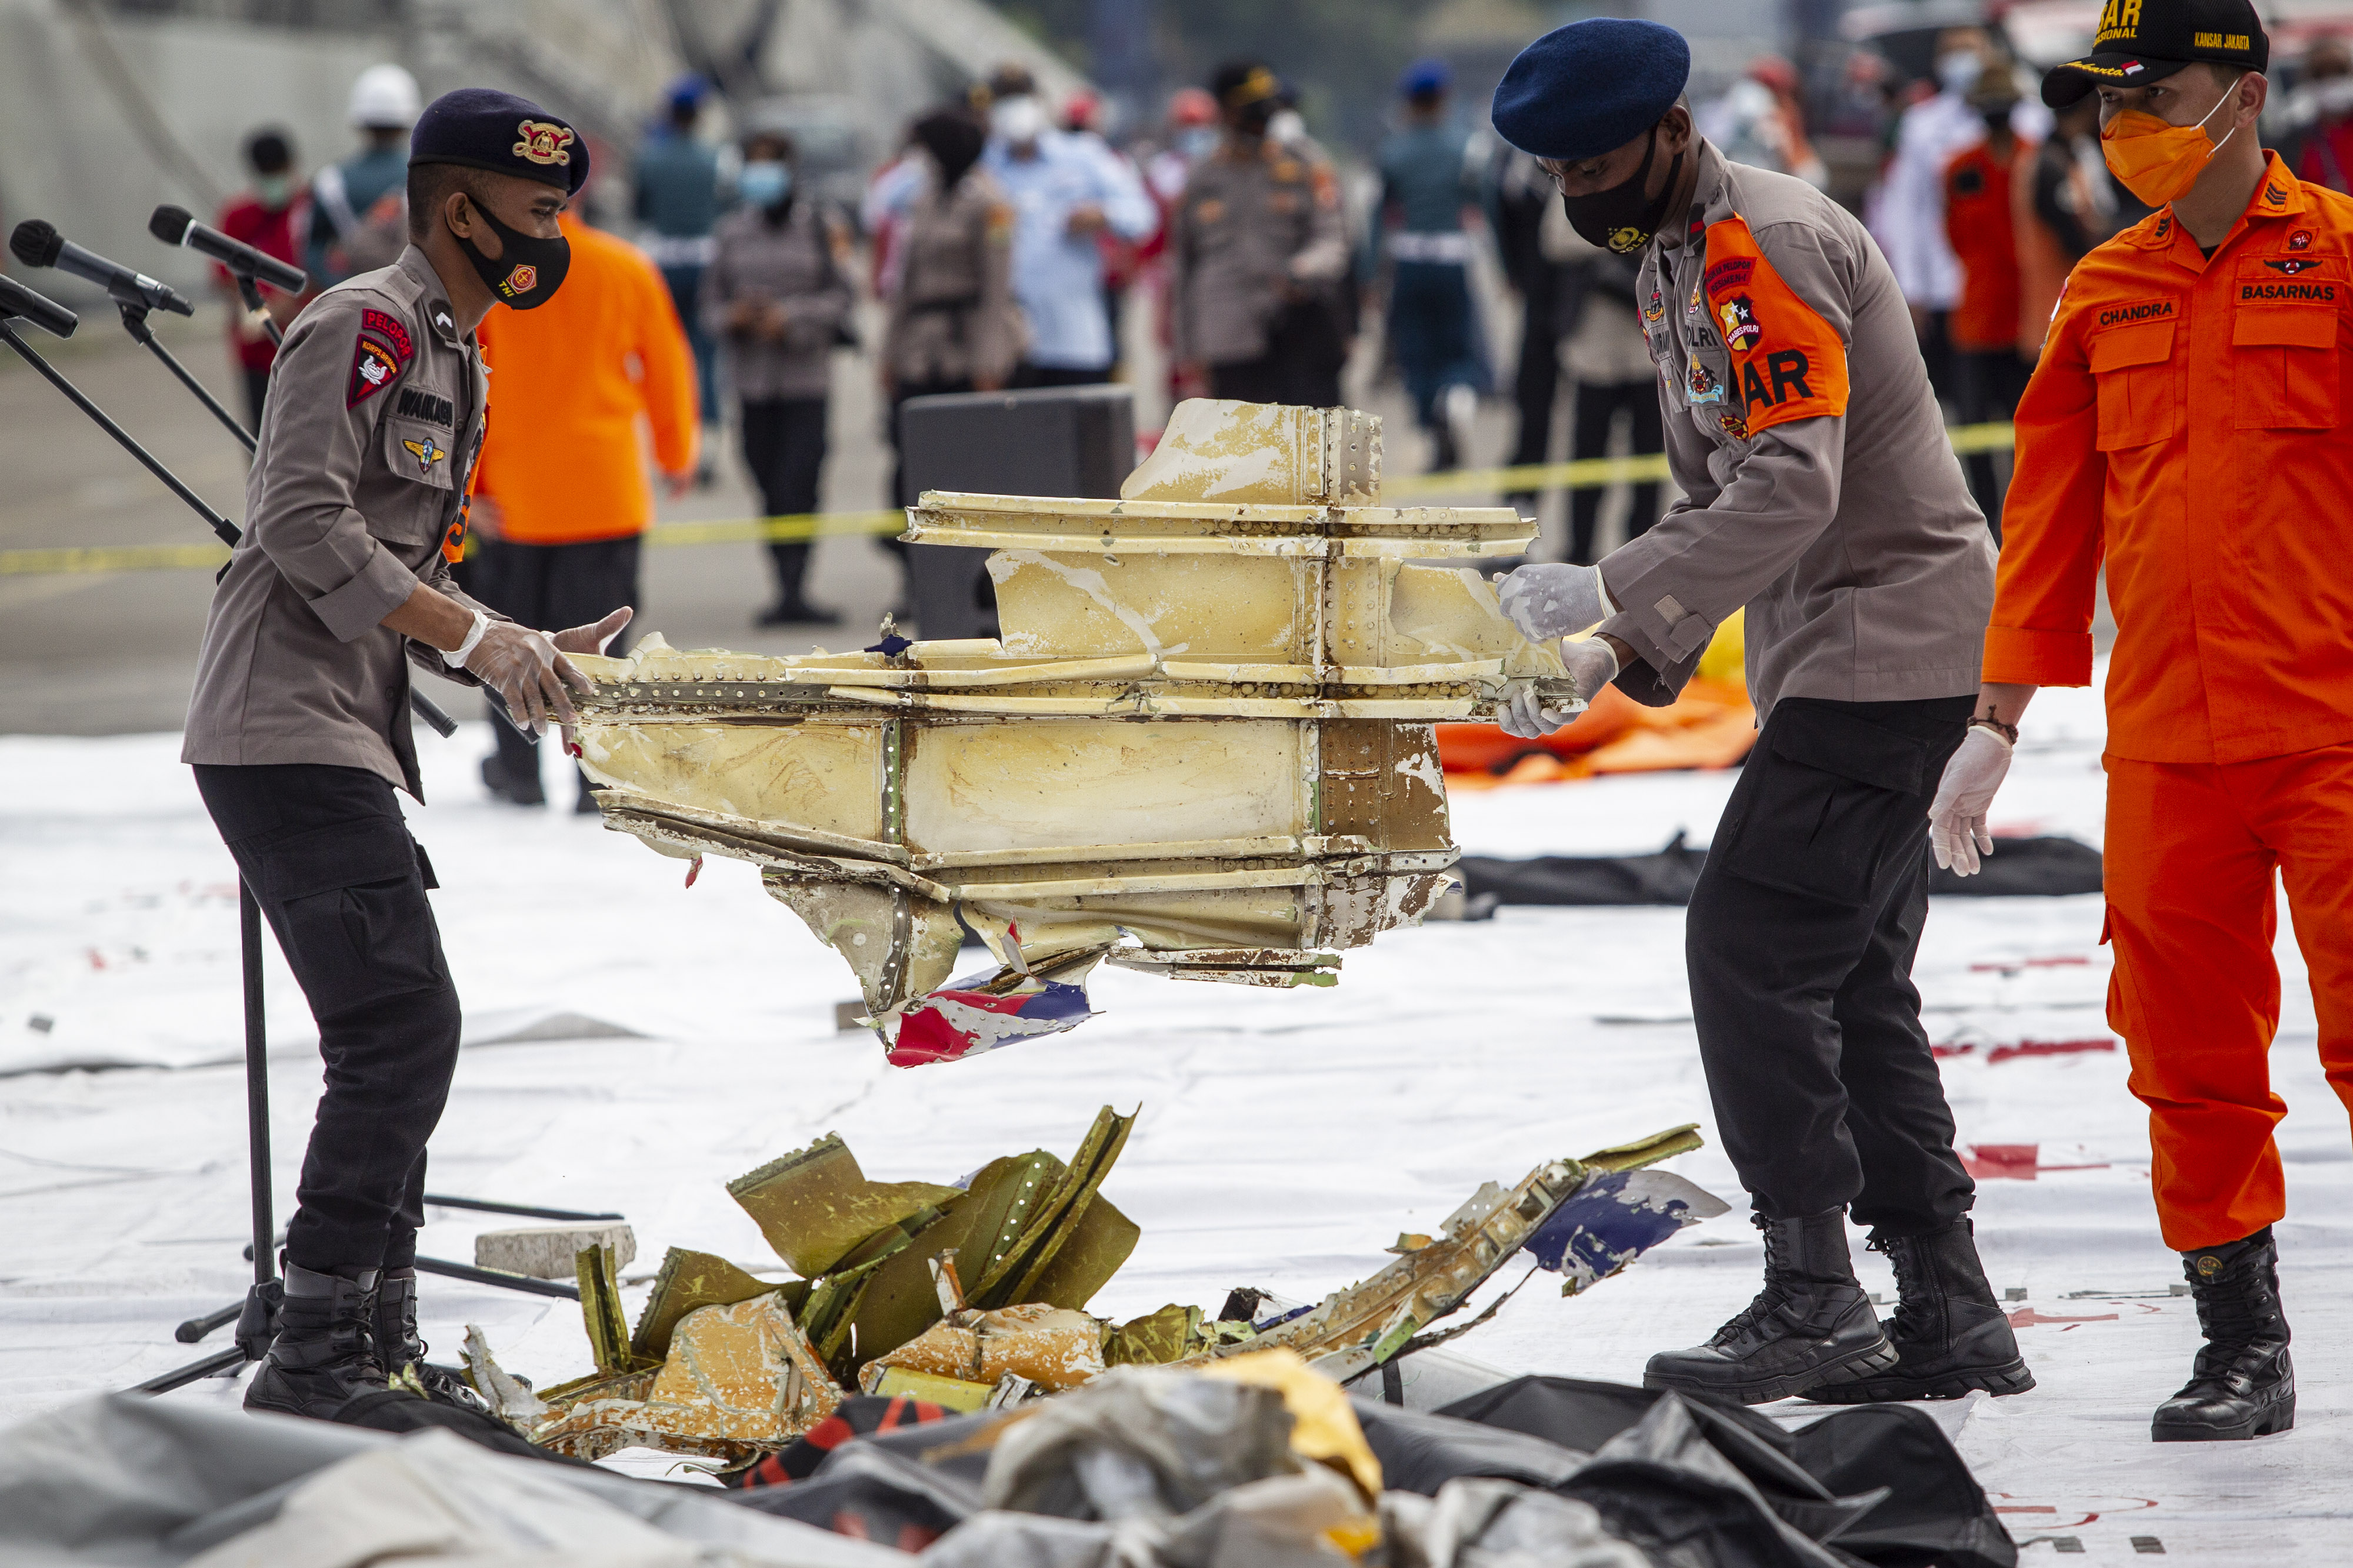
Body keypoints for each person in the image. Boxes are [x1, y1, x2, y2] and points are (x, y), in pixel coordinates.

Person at [1488, 17, 2019, 1409]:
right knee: (1848, 980)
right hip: (1856, 646)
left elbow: (1790, 488)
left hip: (1884, 648)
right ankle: (1947, 1303)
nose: (1578, 189)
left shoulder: (1759, 246)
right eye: (1558, 172)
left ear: (1672, 129)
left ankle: (1814, 1292)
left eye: (1598, 157)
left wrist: (1613, 612)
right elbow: (1737, 492)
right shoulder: (1679, 251)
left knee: (1746, 947)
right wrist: (1626, 624)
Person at [1935, 0, 2346, 1444]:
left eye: (2149, 94)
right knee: (2183, 1052)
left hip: (2334, 728)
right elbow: (2045, 517)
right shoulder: (2105, 286)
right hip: (2166, 740)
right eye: (2105, 102)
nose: (2120, 130)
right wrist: (1995, 716)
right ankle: (2241, 1341)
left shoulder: (2340, 257)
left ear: (2239, 97)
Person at [183, 88, 621, 1423]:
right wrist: (479, 637)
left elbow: (400, 572)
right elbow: (303, 521)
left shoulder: (454, 349)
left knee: (397, 1029)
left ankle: (376, 1344)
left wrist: (517, 641)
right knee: (399, 1027)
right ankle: (315, 1354)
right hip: (278, 725)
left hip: (341, 724)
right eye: (537, 214)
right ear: (458, 210)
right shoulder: (361, 323)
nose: (551, 239)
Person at [471, 195, 698, 809]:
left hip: (515, 495)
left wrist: (466, 492)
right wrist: (676, 451)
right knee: (597, 653)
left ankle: (520, 773)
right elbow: (666, 362)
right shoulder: (625, 266)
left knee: (503, 644)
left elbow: (468, 377)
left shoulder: (494, 277)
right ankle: (594, 779)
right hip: (604, 490)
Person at [706, 129, 856, 628]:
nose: (760, 175)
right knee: (766, 480)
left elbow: (842, 300)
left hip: (805, 382)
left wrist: (789, 318)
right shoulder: (729, 232)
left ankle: (797, 588)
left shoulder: (820, 226)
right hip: (752, 385)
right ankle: (782, 584)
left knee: (801, 482)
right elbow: (708, 309)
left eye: (770, 164)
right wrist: (738, 317)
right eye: (753, 164)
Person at [1169, 61, 1351, 407]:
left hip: (1294, 326)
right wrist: (1186, 350)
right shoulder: (1202, 178)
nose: (1260, 124)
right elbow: (1183, 266)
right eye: (1249, 114)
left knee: (1305, 441)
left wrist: (1302, 269)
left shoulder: (1304, 164)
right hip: (1227, 333)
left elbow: (1333, 237)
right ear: (1224, 113)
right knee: (1243, 448)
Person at [979, 65, 1156, 388]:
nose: (1014, 110)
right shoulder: (983, 165)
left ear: (1040, 102)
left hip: (1075, 338)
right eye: (1005, 100)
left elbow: (1142, 215)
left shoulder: (1082, 156)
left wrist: (1102, 215)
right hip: (1007, 344)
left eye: (1021, 97)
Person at [880, 108, 1018, 509]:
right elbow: (904, 284)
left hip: (970, 341)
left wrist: (989, 361)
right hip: (921, 345)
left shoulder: (991, 205)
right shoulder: (921, 201)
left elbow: (997, 287)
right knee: (912, 454)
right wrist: (889, 353)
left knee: (973, 459)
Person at [1373, 58, 1488, 470]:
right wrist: (1506, 270)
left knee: (1416, 350)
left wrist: (1371, 276)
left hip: (1408, 259)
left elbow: (1378, 217)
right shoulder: (1465, 147)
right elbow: (1483, 205)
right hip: (1452, 257)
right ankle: (1456, 398)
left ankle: (1427, 422)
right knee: (1457, 344)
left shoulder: (1394, 151)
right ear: (1444, 99)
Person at [1873, 30, 1995, 398]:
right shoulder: (1921, 124)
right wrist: (1910, 287)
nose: (1963, 62)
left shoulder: (2025, 117)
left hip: (2004, 281)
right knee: (1959, 397)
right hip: (1943, 285)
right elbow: (1907, 212)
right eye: (1954, 54)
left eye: (1970, 51)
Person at [1942, 65, 2031, 536]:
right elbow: (1954, 234)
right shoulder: (1960, 170)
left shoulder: (2035, 161)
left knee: (2027, 436)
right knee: (1976, 436)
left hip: (2025, 323)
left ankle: (2023, 525)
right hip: (1977, 321)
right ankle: (1989, 530)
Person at [634, 76, 724, 471]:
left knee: (669, 351)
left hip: (663, 261)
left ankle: (673, 440)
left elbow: (641, 209)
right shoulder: (712, 158)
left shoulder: (650, 158)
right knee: (705, 352)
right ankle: (709, 443)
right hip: (705, 258)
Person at [2013, 88, 2141, 359]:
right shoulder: (2050, 165)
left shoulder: (2073, 156)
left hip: (2073, 307)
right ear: (2087, 112)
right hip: (2059, 309)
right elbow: (2075, 238)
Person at [215, 127, 305, 429]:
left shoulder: (310, 209)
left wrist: (284, 306)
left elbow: (327, 268)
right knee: (261, 441)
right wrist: (252, 309)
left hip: (307, 346)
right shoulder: (238, 216)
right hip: (257, 355)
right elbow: (223, 276)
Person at [306, 64, 420, 288]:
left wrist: (338, 287)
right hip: (412, 300)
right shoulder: (425, 176)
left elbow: (313, 251)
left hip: (354, 298)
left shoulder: (331, 181)